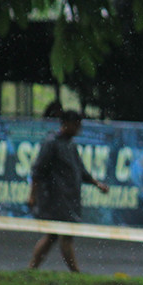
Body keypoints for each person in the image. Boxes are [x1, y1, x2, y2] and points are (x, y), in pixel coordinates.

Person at [27, 110, 109, 272]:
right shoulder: (52, 143)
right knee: (64, 235)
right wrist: (32, 195)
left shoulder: (70, 145)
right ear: (66, 124)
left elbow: (81, 171)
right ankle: (75, 272)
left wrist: (97, 184)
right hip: (55, 199)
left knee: (53, 236)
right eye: (76, 125)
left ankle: (32, 269)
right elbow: (38, 170)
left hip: (69, 198)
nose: (78, 129)